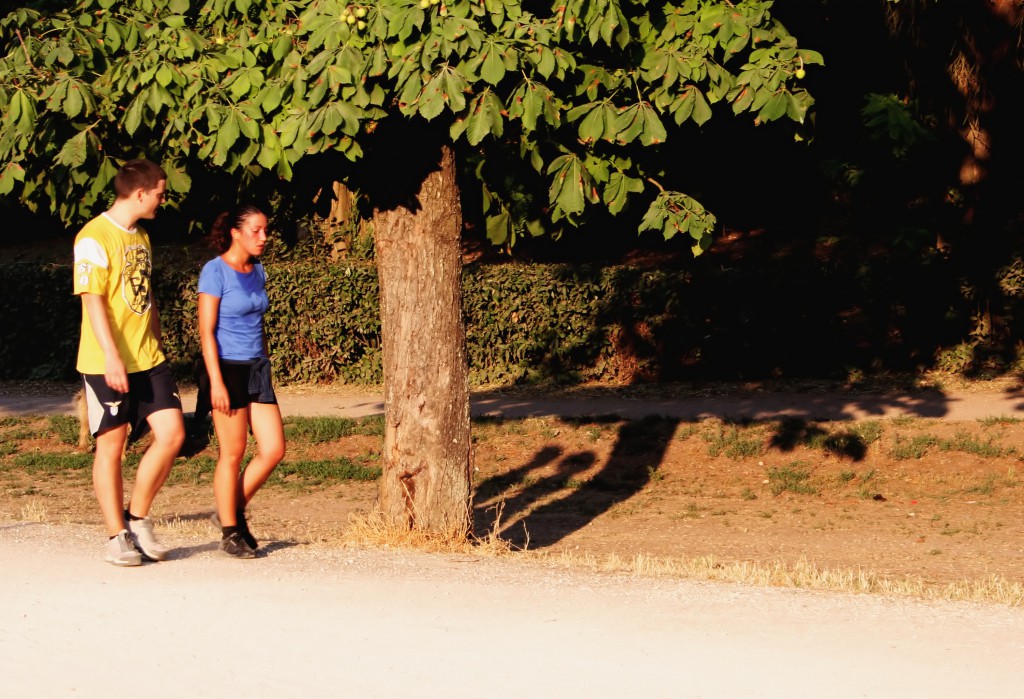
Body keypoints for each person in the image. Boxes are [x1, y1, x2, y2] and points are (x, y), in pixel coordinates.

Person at [73, 158, 185, 567]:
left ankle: (137, 518)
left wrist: (157, 337)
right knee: (112, 444)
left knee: (172, 434)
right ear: (140, 193)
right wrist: (112, 357)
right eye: (159, 194)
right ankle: (115, 536)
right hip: (106, 360)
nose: (162, 200)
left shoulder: (141, 236)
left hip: (148, 357)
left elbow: (144, 293)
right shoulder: (93, 237)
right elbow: (93, 302)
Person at [198, 203, 285, 559]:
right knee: (232, 453)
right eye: (256, 230)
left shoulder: (258, 271)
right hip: (227, 368)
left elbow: (258, 323)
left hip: (256, 368)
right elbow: (206, 331)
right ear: (236, 233)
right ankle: (231, 531)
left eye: (266, 230)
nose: (264, 237)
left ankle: (229, 512)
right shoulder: (214, 271)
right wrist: (216, 382)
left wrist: (264, 360)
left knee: (274, 449)